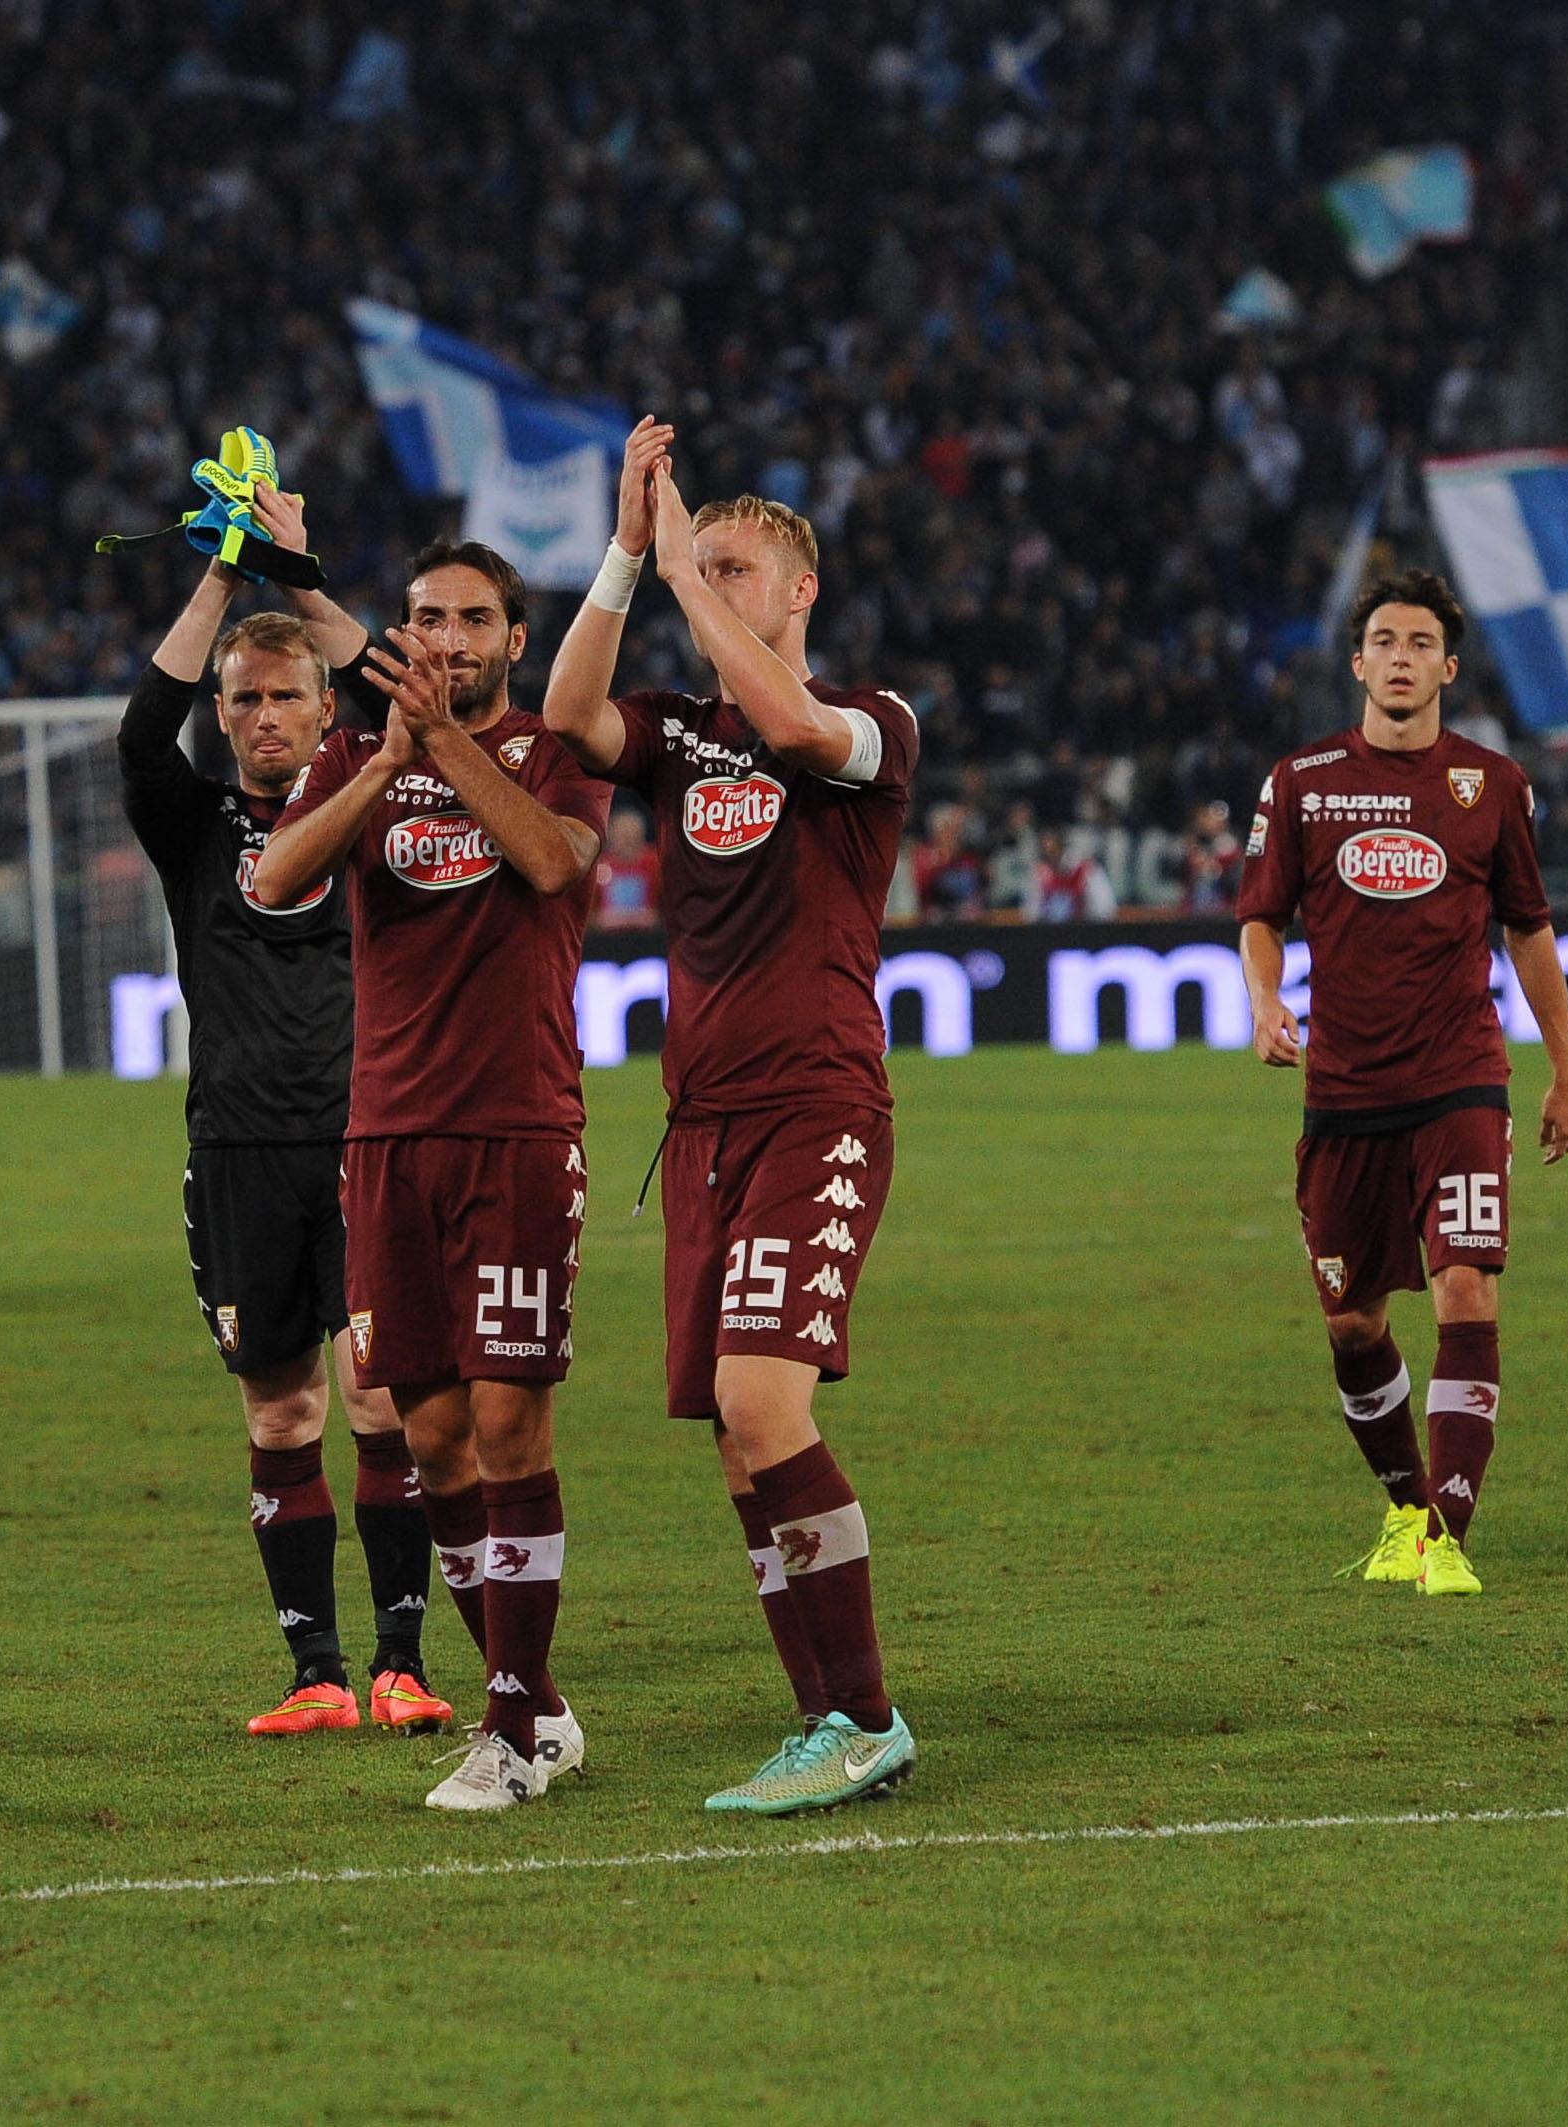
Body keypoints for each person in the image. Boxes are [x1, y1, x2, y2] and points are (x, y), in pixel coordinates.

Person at [543, 421, 922, 1816]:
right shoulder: (675, 733)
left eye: (734, 568)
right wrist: (623, 555)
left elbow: (793, 726)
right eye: (700, 567)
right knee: (730, 1428)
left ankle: (865, 1718)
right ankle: (821, 1713)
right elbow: (566, 717)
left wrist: (677, 565)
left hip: (814, 1107)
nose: (706, 583)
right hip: (699, 1127)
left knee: (764, 1403)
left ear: (799, 590)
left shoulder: (870, 723)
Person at [252, 541, 611, 1813]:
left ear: (514, 638)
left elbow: (554, 862)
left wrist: (443, 746)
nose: (446, 638)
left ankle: (505, 1733)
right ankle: (540, 1704)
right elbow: (274, 877)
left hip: (515, 1130)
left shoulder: (556, 752)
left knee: (509, 1426)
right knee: (434, 1438)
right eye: (424, 618)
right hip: (386, 1140)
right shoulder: (356, 757)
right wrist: (383, 764)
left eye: (470, 619)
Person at [118, 553, 449, 1740]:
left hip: (366, 1141)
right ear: (222, 715)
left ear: (324, 710)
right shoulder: (191, 824)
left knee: (381, 1403)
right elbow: (139, 734)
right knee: (279, 1415)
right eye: (244, 698)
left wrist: (303, 581)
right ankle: (316, 1673)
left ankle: (401, 1664)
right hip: (238, 1148)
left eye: (286, 696)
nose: (265, 716)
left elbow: (416, 696)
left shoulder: (378, 800)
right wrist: (217, 574)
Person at [1235, 570, 1568, 1597]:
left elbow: (1528, 929)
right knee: (1352, 1322)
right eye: (1383, 641)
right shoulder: (1300, 782)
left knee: (1464, 1286)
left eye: (1419, 642)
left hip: (1459, 1077)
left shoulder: (1490, 784)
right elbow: (1260, 914)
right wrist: (1264, 999)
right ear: (1357, 663)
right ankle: (1403, 1506)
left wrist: (1565, 1067)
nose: (1399, 657)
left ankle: (1446, 1536)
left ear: (1447, 667)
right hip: (1344, 1090)